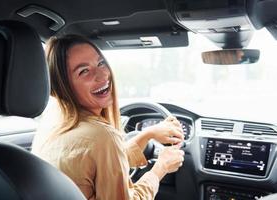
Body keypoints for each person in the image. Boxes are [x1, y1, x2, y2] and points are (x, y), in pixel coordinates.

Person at [32, 34, 185, 200]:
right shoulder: (102, 135)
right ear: (63, 87)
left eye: (101, 63)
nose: (102, 75)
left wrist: (147, 134)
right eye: (84, 71)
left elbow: (98, 164)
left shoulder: (51, 122)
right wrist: (161, 168)